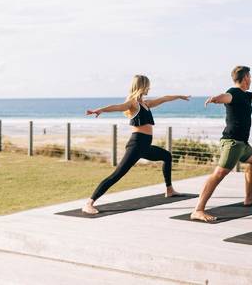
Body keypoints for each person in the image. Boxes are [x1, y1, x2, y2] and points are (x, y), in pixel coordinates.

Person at [81, 75, 190, 215]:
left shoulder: (146, 104)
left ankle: (169, 190)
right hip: (136, 145)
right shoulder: (133, 103)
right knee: (117, 175)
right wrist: (100, 110)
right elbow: (117, 107)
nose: (149, 88)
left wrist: (179, 96)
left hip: (145, 146)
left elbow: (164, 98)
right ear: (142, 86)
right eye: (148, 86)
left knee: (167, 156)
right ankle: (89, 203)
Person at [190, 66, 252, 222]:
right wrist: (215, 98)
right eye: (250, 77)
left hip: (242, 144)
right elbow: (225, 97)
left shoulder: (246, 95)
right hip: (232, 143)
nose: (251, 79)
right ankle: (198, 210)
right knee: (219, 174)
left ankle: (249, 197)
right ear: (245, 77)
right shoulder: (234, 93)